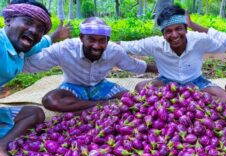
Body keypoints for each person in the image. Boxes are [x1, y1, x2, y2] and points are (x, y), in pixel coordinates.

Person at [24, 17, 156, 113]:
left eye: (101, 41)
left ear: (108, 40)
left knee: (133, 100)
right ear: (82, 38)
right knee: (51, 100)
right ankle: (103, 105)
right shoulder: (64, 49)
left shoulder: (114, 50)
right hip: (73, 88)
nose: (97, 46)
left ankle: (84, 110)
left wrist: (164, 68)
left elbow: (135, 66)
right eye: (91, 40)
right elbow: (33, 63)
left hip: (101, 86)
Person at [0, 0, 70, 156]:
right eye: (28, 22)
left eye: (40, 28)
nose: (34, 30)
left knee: (34, 113)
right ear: (8, 20)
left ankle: (2, 144)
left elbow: (44, 42)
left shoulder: (23, 46)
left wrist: (56, 35)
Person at [119, 5, 226, 103]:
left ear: (186, 29)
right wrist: (102, 42)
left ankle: (175, 102)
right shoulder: (154, 44)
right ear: (163, 34)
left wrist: (194, 25)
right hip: (166, 82)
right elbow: (124, 46)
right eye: (168, 31)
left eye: (178, 29)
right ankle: (191, 102)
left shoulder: (200, 40)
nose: (174, 35)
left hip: (196, 83)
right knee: (140, 87)